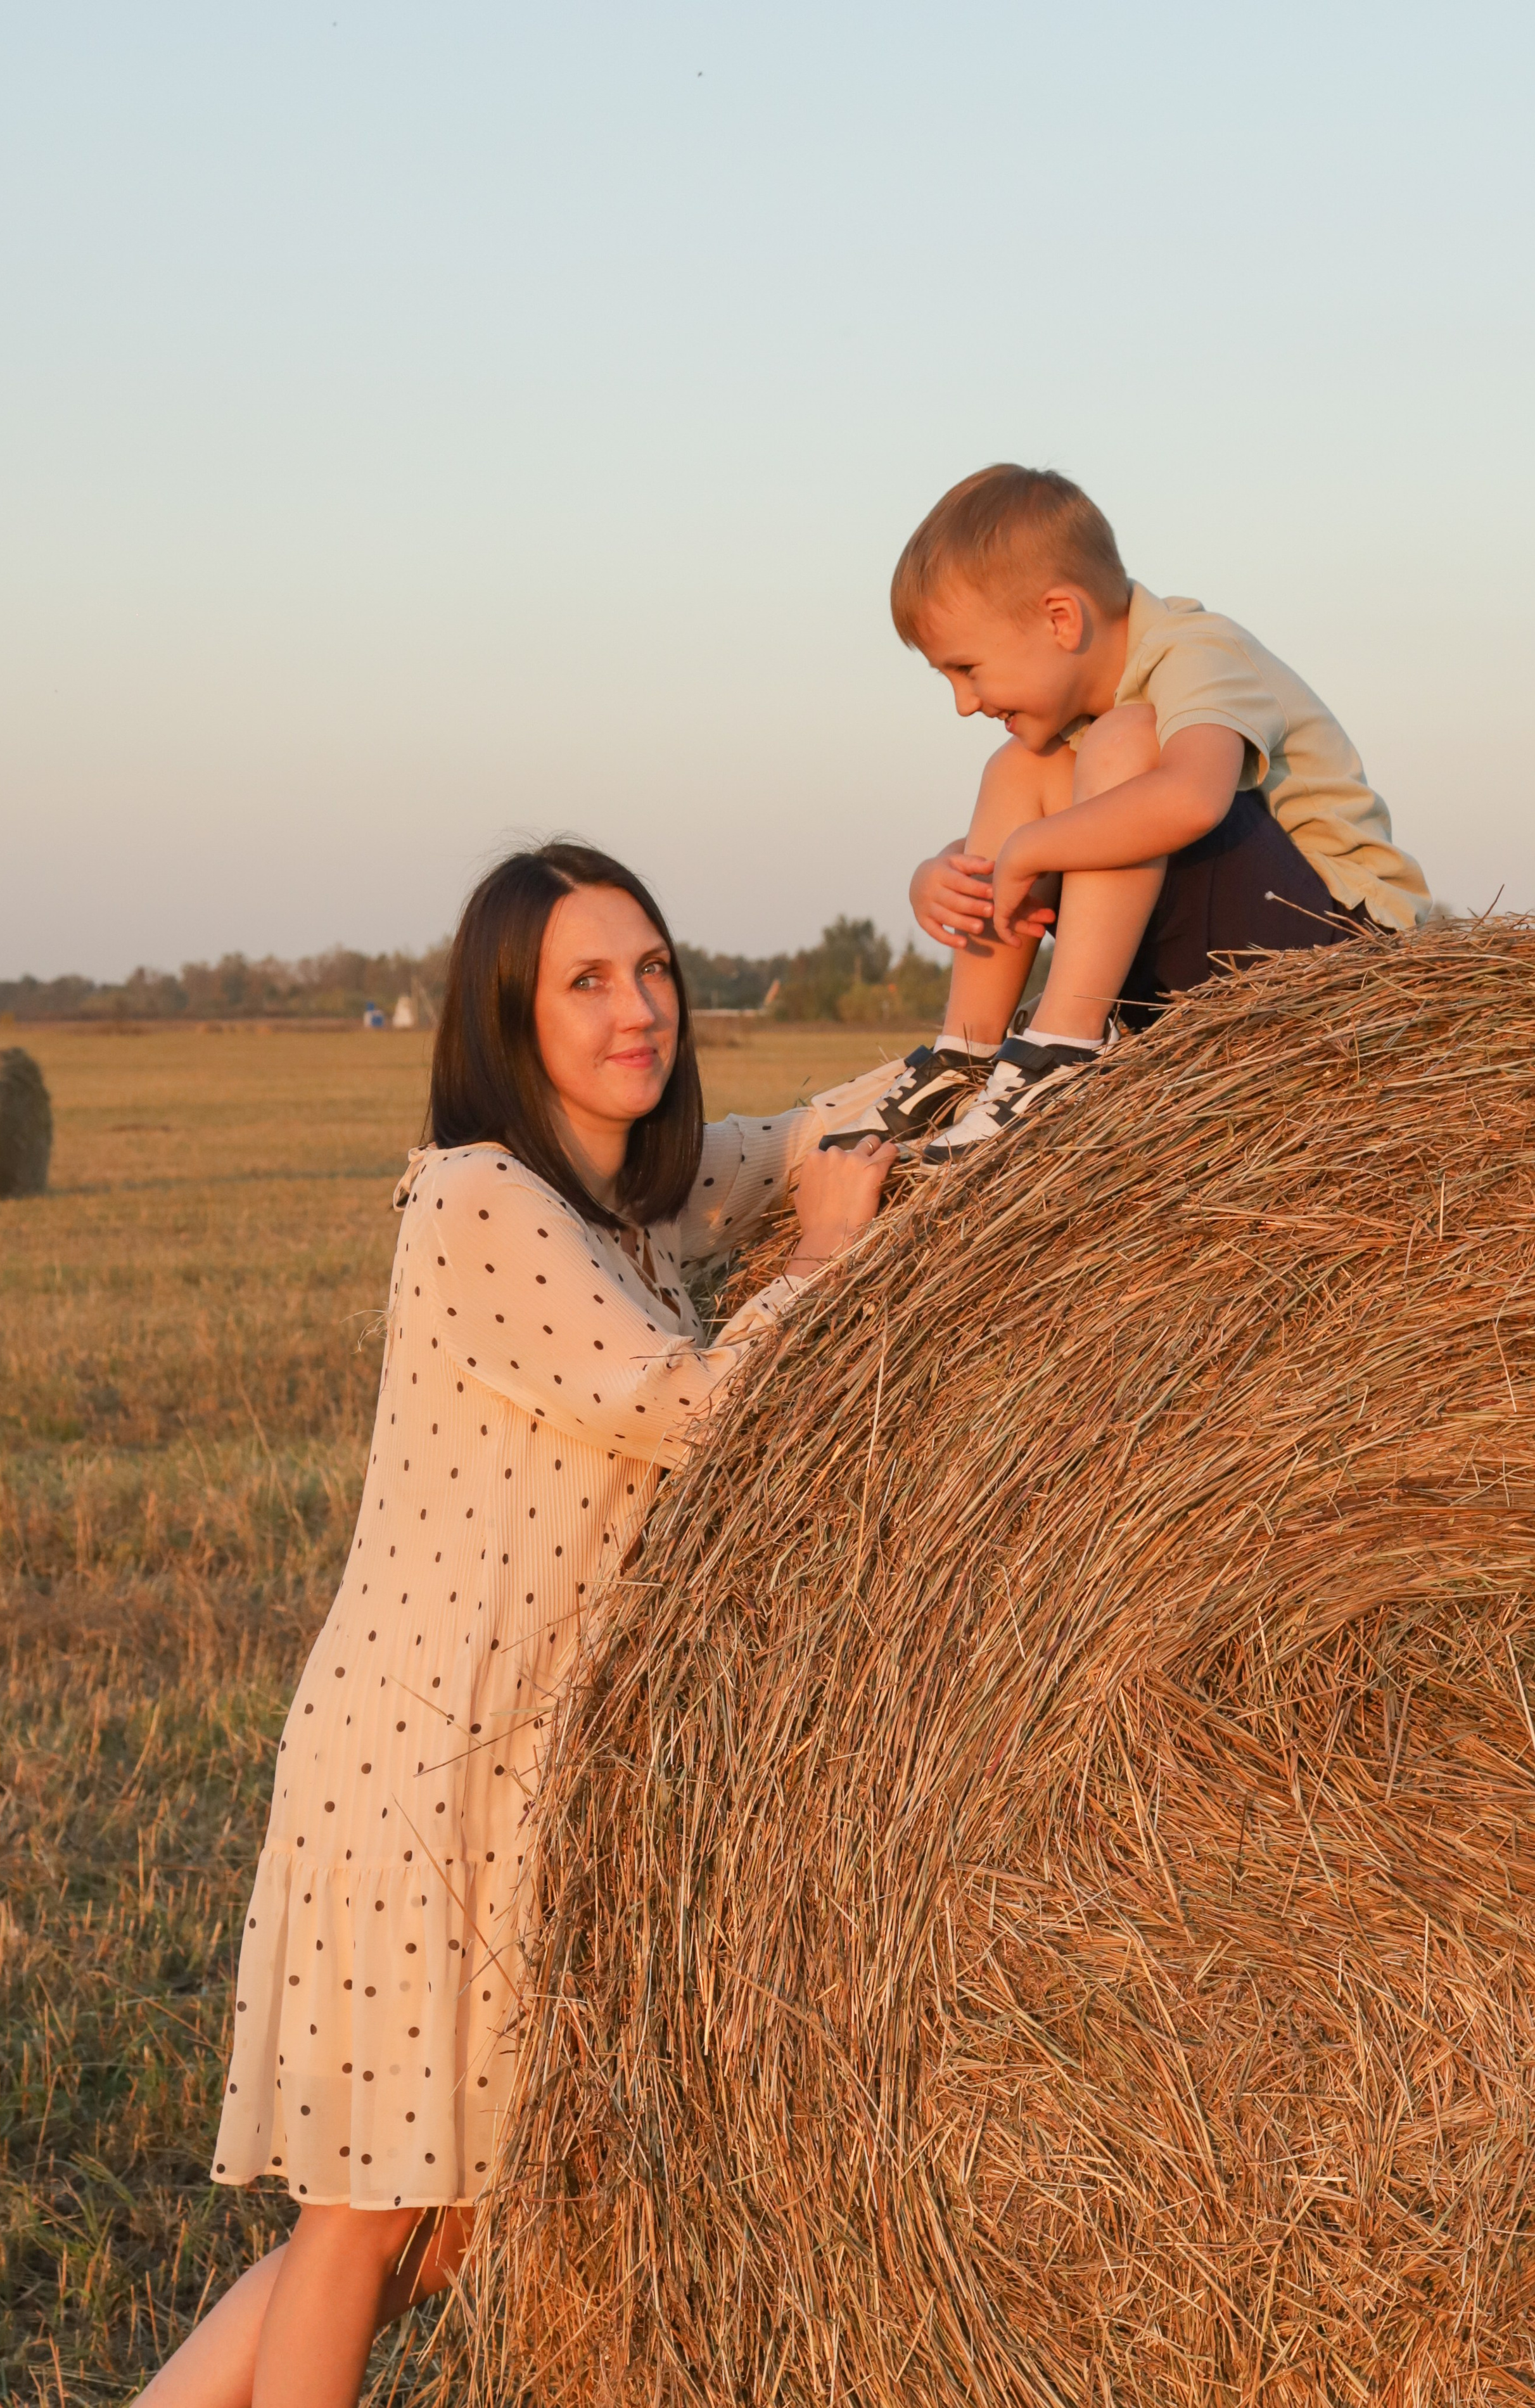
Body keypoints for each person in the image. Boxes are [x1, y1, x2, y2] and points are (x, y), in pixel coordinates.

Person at [137, 842, 898, 2408]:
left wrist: (1025, 1045)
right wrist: (822, 1257)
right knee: (371, 2218)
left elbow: (810, 1134)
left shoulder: (633, 1199)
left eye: (654, 970)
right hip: (415, 1771)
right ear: (507, 1013)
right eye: (587, 981)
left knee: (441, 2228)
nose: (640, 1010)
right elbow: (689, 1407)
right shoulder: (480, 1199)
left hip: (514, 1770)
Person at [823, 463, 1430, 1162]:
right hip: (1203, 974)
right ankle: (968, 1057)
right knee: (1022, 766)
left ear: (1060, 618)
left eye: (968, 669)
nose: (965, 702)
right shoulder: (1084, 725)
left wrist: (1027, 851)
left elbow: (1190, 798)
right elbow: (1056, 830)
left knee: (1123, 740)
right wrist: (941, 873)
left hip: (1335, 958)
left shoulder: (1194, 649)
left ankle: (1060, 1053)